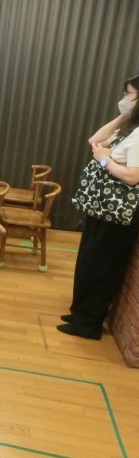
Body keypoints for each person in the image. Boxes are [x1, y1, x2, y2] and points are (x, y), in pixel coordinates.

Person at [58, 73, 139, 340]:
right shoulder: (130, 128)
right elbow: (95, 139)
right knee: (88, 261)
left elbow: (133, 176)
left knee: (101, 267)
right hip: (102, 209)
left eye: (128, 94)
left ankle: (88, 324)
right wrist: (123, 116)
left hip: (116, 214)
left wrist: (105, 160)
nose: (123, 98)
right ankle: (80, 313)